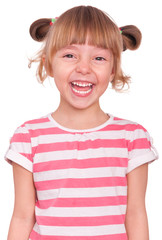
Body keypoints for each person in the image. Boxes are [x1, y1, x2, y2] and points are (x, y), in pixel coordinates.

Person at [5, 5, 158, 240]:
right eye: (69, 55)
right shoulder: (28, 137)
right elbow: (23, 216)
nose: (84, 68)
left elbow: (136, 214)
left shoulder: (132, 138)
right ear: (48, 64)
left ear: (113, 69)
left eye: (98, 58)